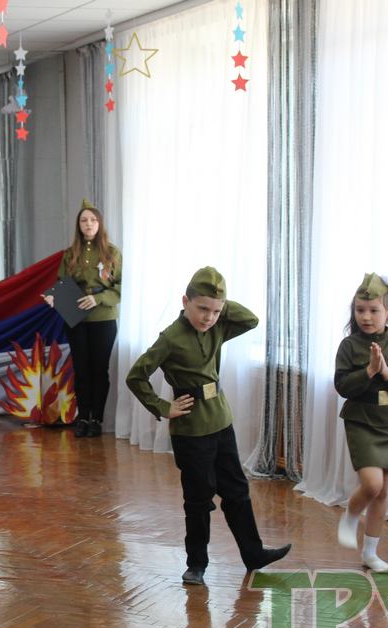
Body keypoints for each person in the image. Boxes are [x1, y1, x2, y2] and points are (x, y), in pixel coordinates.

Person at [126, 267, 291, 586]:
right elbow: (136, 376)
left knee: (237, 491)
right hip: (191, 430)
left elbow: (251, 320)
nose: (209, 317)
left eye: (216, 311)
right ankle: (196, 564)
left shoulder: (218, 327)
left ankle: (253, 553)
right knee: (198, 498)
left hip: (220, 420)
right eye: (202, 308)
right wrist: (164, 407)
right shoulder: (171, 338)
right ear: (185, 301)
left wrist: (221, 305)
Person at [334, 273, 388, 573]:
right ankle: (350, 515)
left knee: (382, 493)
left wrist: (386, 372)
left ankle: (370, 553)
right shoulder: (349, 346)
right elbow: (342, 386)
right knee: (372, 483)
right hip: (360, 420)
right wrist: (368, 371)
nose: (365, 317)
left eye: (373, 310)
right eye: (360, 310)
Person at [42, 200, 122, 437]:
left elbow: (121, 287)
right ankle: (83, 417)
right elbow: (62, 284)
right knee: (81, 369)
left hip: (103, 317)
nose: (89, 224)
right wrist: (54, 298)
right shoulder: (71, 254)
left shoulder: (112, 253)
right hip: (76, 316)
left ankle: (96, 418)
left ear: (100, 223)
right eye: (84, 220)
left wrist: (99, 299)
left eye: (93, 220)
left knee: (99, 369)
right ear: (78, 225)